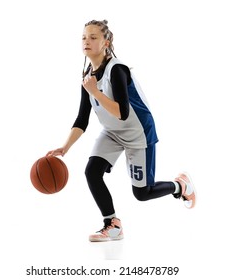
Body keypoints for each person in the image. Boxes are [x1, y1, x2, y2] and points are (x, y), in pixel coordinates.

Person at [46, 19, 196, 242]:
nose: (87, 41)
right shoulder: (87, 77)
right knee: (92, 172)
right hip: (112, 132)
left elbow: (122, 112)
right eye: (84, 37)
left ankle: (180, 185)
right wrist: (65, 147)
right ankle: (112, 224)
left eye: (93, 37)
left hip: (138, 133)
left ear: (106, 42)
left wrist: (95, 92)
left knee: (142, 193)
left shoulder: (117, 70)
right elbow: (82, 119)